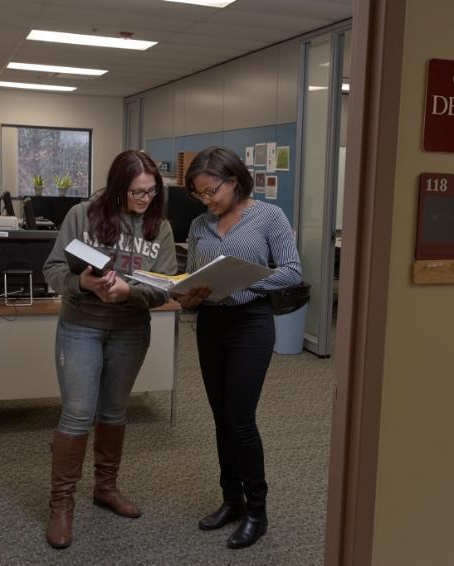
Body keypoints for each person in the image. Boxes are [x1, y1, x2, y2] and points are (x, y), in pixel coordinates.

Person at [41, 149, 177, 549]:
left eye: (151, 191)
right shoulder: (81, 215)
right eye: (137, 192)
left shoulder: (159, 227)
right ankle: (61, 504)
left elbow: (164, 286)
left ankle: (105, 487)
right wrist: (82, 284)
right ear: (118, 187)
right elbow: (53, 269)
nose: (145, 199)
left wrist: (128, 293)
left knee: (114, 411)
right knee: (78, 413)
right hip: (81, 326)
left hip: (130, 330)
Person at [177, 146, 302, 549]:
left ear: (233, 181)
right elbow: (193, 274)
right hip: (211, 324)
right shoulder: (199, 224)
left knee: (240, 419)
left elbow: (292, 271)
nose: (206, 200)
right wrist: (187, 293)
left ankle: (257, 512)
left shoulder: (269, 216)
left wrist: (244, 281)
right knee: (221, 418)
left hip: (251, 323)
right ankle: (232, 501)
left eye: (211, 191)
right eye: (199, 194)